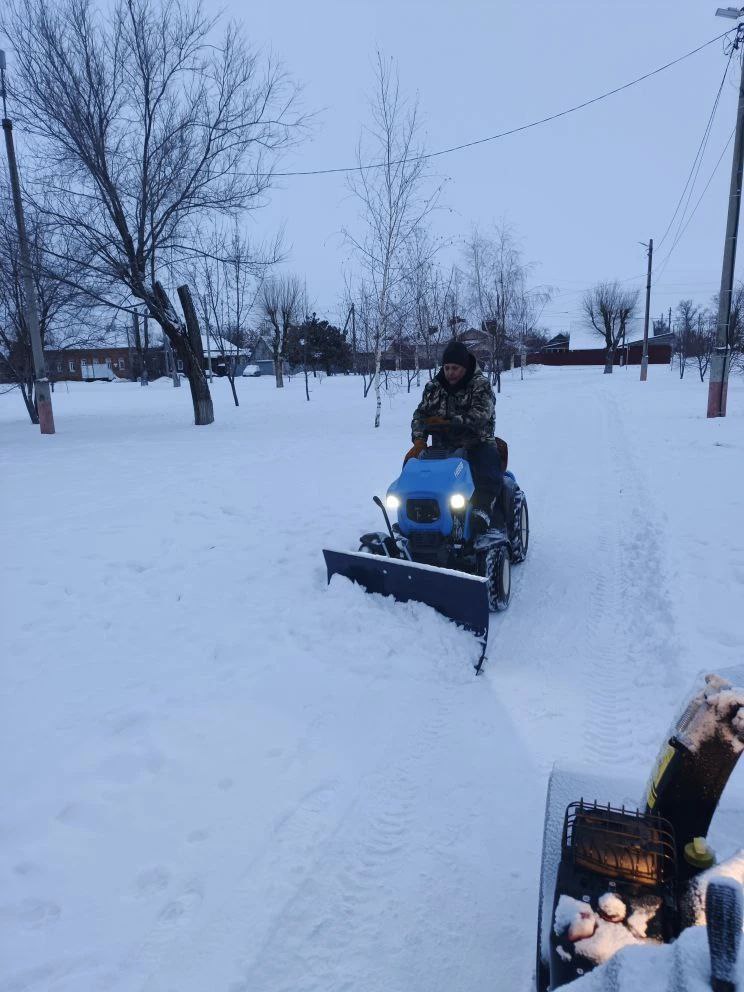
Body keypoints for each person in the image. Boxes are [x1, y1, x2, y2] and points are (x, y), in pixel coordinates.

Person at [405, 340, 504, 533]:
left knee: (486, 464)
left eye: (455, 368)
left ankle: (482, 508)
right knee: (412, 465)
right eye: (447, 367)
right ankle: (414, 512)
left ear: (465, 368)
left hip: (476, 443)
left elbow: (481, 414)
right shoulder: (434, 387)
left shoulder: (480, 385)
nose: (450, 372)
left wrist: (449, 421)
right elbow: (420, 415)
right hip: (442, 446)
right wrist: (419, 440)